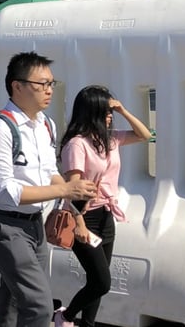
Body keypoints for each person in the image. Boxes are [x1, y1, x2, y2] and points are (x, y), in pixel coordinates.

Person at [0, 52, 97, 327]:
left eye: (52, 83)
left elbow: (49, 172)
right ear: (17, 86)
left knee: (14, 298)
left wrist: (73, 194)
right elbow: (5, 192)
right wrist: (65, 191)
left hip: (34, 223)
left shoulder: (46, 125)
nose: (49, 90)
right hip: (1, 224)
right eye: (42, 84)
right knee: (39, 307)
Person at [54, 87, 152, 327]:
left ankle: (86, 324)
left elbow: (145, 135)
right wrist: (79, 224)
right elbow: (73, 187)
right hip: (83, 216)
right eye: (105, 111)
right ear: (91, 112)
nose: (110, 116)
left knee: (97, 281)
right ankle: (65, 317)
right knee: (101, 282)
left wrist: (123, 110)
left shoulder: (110, 139)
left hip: (106, 214)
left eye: (110, 111)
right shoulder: (77, 145)